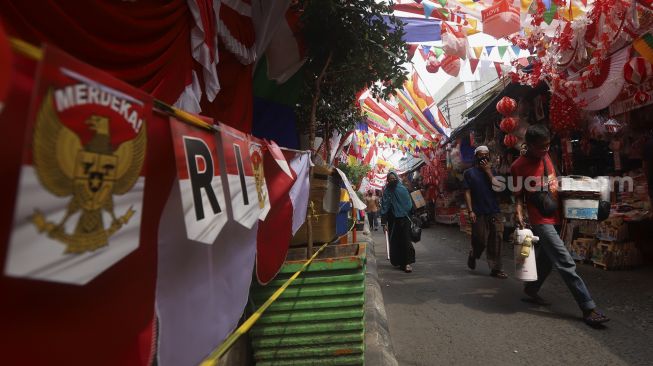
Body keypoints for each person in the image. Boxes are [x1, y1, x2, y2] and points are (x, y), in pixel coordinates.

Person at [511, 124, 609, 327]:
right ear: (529, 145)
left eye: (548, 145)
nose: (545, 149)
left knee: (547, 258)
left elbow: (556, 181)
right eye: (541, 147)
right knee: (565, 261)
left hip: (557, 214)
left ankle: (531, 289)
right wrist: (519, 214)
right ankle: (588, 307)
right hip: (540, 220)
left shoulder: (547, 155)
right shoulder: (518, 167)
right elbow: (518, 196)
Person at [463, 146, 507, 279]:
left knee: (497, 238)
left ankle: (496, 268)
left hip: (494, 210)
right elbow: (467, 192)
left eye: (486, 155)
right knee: (480, 239)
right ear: (476, 157)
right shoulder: (469, 173)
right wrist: (470, 211)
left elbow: (499, 188)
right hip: (478, 211)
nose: (484, 158)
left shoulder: (494, 171)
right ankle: (474, 254)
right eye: (481, 155)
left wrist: (488, 172)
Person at [381, 171, 415, 273]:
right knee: (395, 241)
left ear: (396, 178)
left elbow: (409, 204)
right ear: (387, 180)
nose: (392, 180)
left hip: (405, 218)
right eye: (390, 179)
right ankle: (400, 262)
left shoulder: (403, 189)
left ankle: (408, 263)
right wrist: (384, 223)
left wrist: (408, 214)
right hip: (393, 220)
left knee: (406, 240)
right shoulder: (387, 191)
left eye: (393, 178)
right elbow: (384, 207)